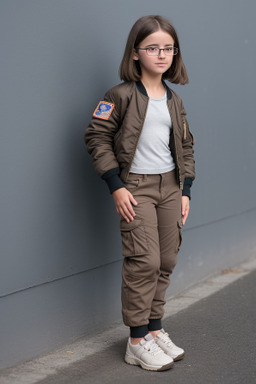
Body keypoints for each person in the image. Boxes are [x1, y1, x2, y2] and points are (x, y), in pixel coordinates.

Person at [84, 15, 195, 372]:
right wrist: (115, 185)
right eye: (152, 48)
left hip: (170, 187)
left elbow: (186, 146)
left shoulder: (174, 99)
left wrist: (185, 190)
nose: (161, 55)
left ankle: (154, 329)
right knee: (143, 262)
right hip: (136, 187)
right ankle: (136, 341)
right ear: (135, 53)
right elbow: (96, 137)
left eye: (168, 48)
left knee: (166, 261)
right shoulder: (119, 95)